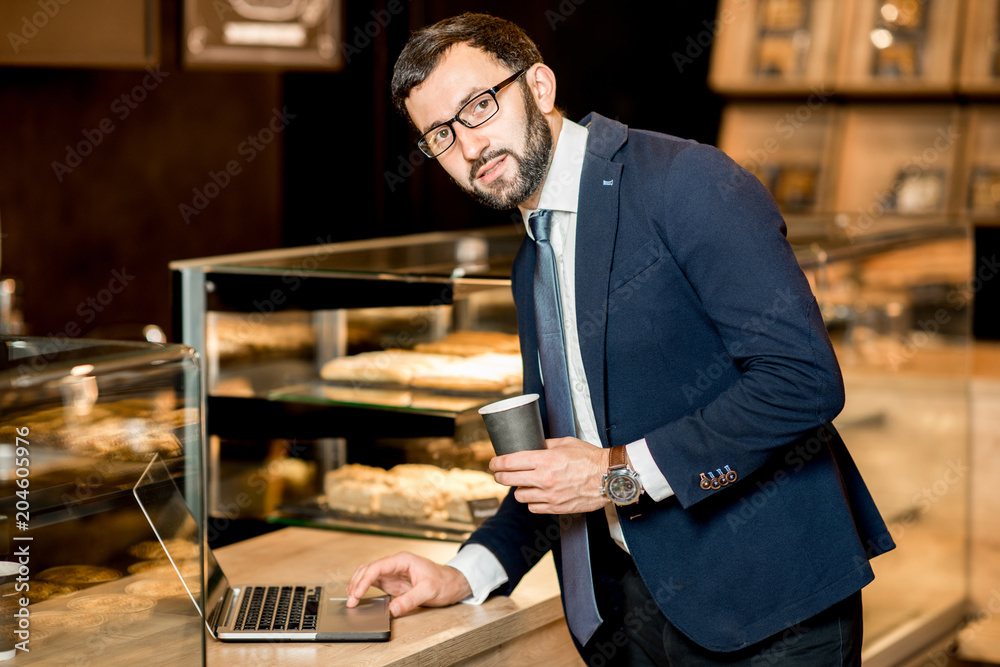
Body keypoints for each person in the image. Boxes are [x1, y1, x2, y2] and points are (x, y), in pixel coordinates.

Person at [346, 12, 895, 666]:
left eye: (478, 107)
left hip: (770, 614)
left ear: (541, 87)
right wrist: (470, 569)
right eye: (439, 134)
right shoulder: (532, 257)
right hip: (633, 616)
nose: (468, 148)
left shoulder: (687, 181)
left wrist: (617, 474)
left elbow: (802, 380)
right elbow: (561, 463)